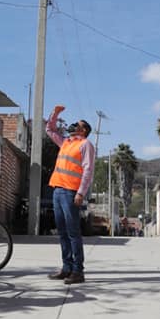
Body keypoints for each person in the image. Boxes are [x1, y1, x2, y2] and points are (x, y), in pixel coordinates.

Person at [46, 105, 95, 284]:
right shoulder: (66, 142)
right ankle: (66, 268)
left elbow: (88, 170)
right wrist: (56, 113)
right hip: (57, 190)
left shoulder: (85, 144)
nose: (73, 125)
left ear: (83, 131)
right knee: (62, 232)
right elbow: (49, 129)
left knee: (73, 232)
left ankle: (78, 271)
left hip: (71, 192)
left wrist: (81, 193)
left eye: (77, 124)